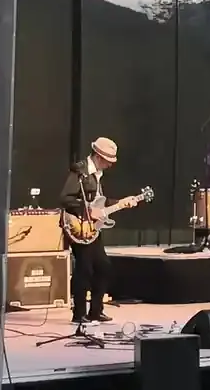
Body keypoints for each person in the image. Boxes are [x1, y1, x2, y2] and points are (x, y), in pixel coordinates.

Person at [59, 137, 134, 324]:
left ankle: (96, 311)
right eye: (109, 161)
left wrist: (121, 203)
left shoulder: (97, 175)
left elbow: (100, 202)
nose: (110, 165)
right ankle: (79, 314)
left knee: (103, 267)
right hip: (78, 226)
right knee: (84, 269)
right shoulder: (80, 172)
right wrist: (87, 210)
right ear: (99, 157)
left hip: (92, 229)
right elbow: (65, 199)